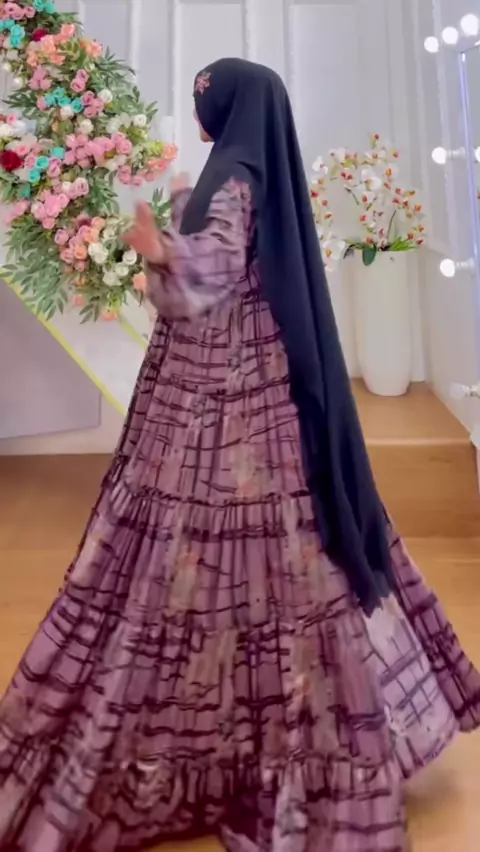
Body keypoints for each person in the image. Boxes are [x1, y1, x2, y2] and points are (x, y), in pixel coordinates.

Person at [0, 58, 479, 852]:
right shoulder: (246, 174)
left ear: (226, 107)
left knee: (216, 563)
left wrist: (160, 246)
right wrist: (174, 225)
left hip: (223, 413)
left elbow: (214, 270)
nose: (200, 114)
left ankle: (234, 754)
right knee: (276, 566)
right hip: (241, 397)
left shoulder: (235, 179)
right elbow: (221, 270)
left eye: (205, 100)